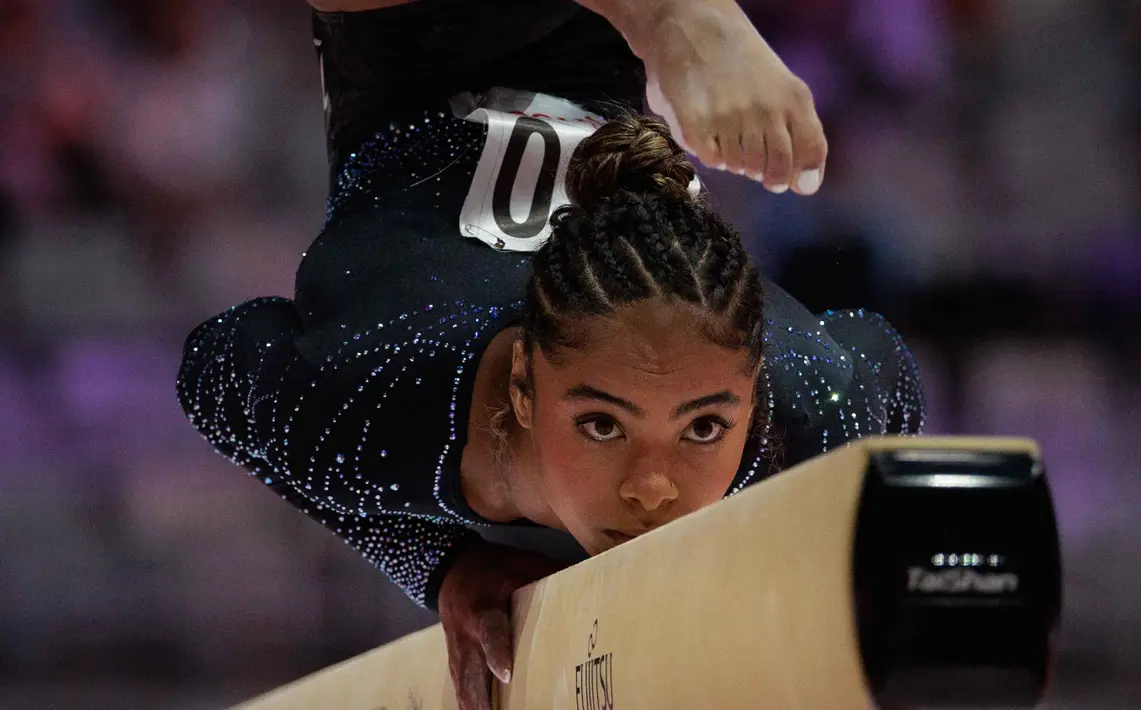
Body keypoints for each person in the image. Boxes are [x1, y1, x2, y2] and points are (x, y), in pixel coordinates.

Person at [175, 1, 924, 709]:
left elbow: (885, 368)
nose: (653, 488)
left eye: (702, 428)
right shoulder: (382, 398)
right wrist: (432, 563)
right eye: (601, 423)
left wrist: (450, 566)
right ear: (523, 388)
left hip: (408, 37)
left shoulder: (794, 404)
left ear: (751, 391)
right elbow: (212, 370)